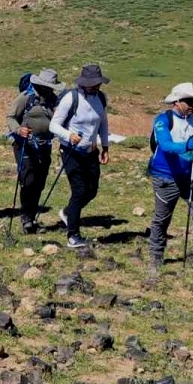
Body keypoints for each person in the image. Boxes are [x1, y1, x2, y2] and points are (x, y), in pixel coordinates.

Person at [146, 82, 193, 273]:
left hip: (190, 175)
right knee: (162, 217)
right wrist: (185, 146)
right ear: (177, 101)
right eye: (189, 101)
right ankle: (156, 255)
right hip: (165, 176)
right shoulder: (163, 120)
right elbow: (166, 145)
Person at [50, 64, 112, 249]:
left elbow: (103, 123)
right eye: (92, 84)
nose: (95, 87)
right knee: (79, 190)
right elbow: (54, 125)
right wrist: (69, 135)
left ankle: (69, 213)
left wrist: (105, 146)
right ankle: (73, 236)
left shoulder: (101, 98)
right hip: (71, 151)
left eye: (97, 83)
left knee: (91, 190)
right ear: (83, 83)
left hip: (91, 151)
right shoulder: (71, 98)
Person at [7, 69, 64, 233]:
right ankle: (26, 217)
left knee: (39, 182)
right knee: (29, 178)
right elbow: (10, 117)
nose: (48, 89)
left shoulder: (54, 100)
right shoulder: (26, 97)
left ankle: (31, 217)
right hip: (24, 144)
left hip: (44, 145)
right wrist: (19, 130)